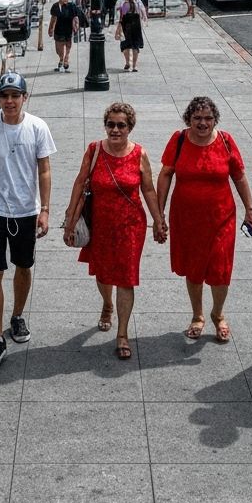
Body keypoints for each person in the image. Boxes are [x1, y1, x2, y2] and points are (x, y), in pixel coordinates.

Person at [61, 102, 165, 359]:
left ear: (130, 127)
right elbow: (79, 182)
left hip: (131, 226)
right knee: (104, 274)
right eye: (111, 124)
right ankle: (107, 304)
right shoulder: (95, 150)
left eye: (121, 125)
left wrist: (159, 220)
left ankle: (122, 334)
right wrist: (70, 219)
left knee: (126, 278)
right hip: (101, 224)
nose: (115, 130)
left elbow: (149, 190)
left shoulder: (139, 154)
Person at [0, 72, 56, 370]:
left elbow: (44, 170)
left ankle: (17, 316)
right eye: (4, 96)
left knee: (23, 267)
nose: (9, 101)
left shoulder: (37, 127)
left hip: (25, 211)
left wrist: (44, 209)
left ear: (24, 97)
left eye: (14, 95)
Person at [156, 96, 252, 343]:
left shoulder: (225, 141)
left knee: (220, 269)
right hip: (187, 219)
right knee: (194, 268)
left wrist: (250, 209)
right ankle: (197, 315)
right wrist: (159, 213)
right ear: (189, 119)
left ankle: (218, 314)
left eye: (208, 118)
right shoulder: (179, 140)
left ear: (215, 120)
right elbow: (166, 174)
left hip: (221, 219)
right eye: (197, 118)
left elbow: (239, 176)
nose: (202, 123)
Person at [47, 0, 81, 73]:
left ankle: (66, 59)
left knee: (68, 45)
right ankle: (61, 58)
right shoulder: (55, 7)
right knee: (58, 48)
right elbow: (53, 19)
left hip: (68, 29)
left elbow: (75, 17)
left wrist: (76, 26)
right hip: (58, 30)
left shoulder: (71, 6)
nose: (65, 0)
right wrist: (51, 29)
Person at [115, 0, 148, 72]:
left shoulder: (122, 3)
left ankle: (127, 63)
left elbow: (121, 16)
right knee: (135, 46)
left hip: (126, 26)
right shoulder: (138, 3)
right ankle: (134, 65)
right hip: (136, 26)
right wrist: (144, 20)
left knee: (126, 45)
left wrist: (118, 27)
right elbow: (143, 13)